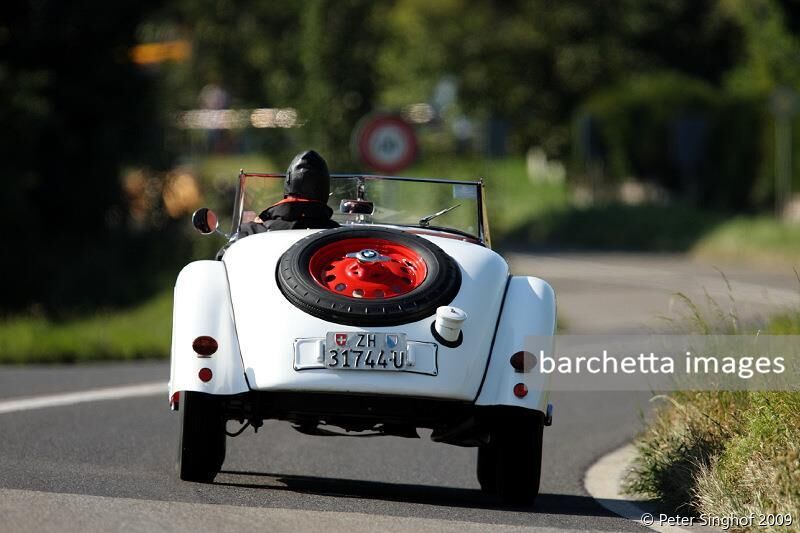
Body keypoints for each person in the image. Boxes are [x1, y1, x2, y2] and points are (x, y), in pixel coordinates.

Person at [238, 150, 339, 237]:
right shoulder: (340, 236)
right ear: (324, 189)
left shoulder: (251, 232)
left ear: (288, 183)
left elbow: (223, 256)